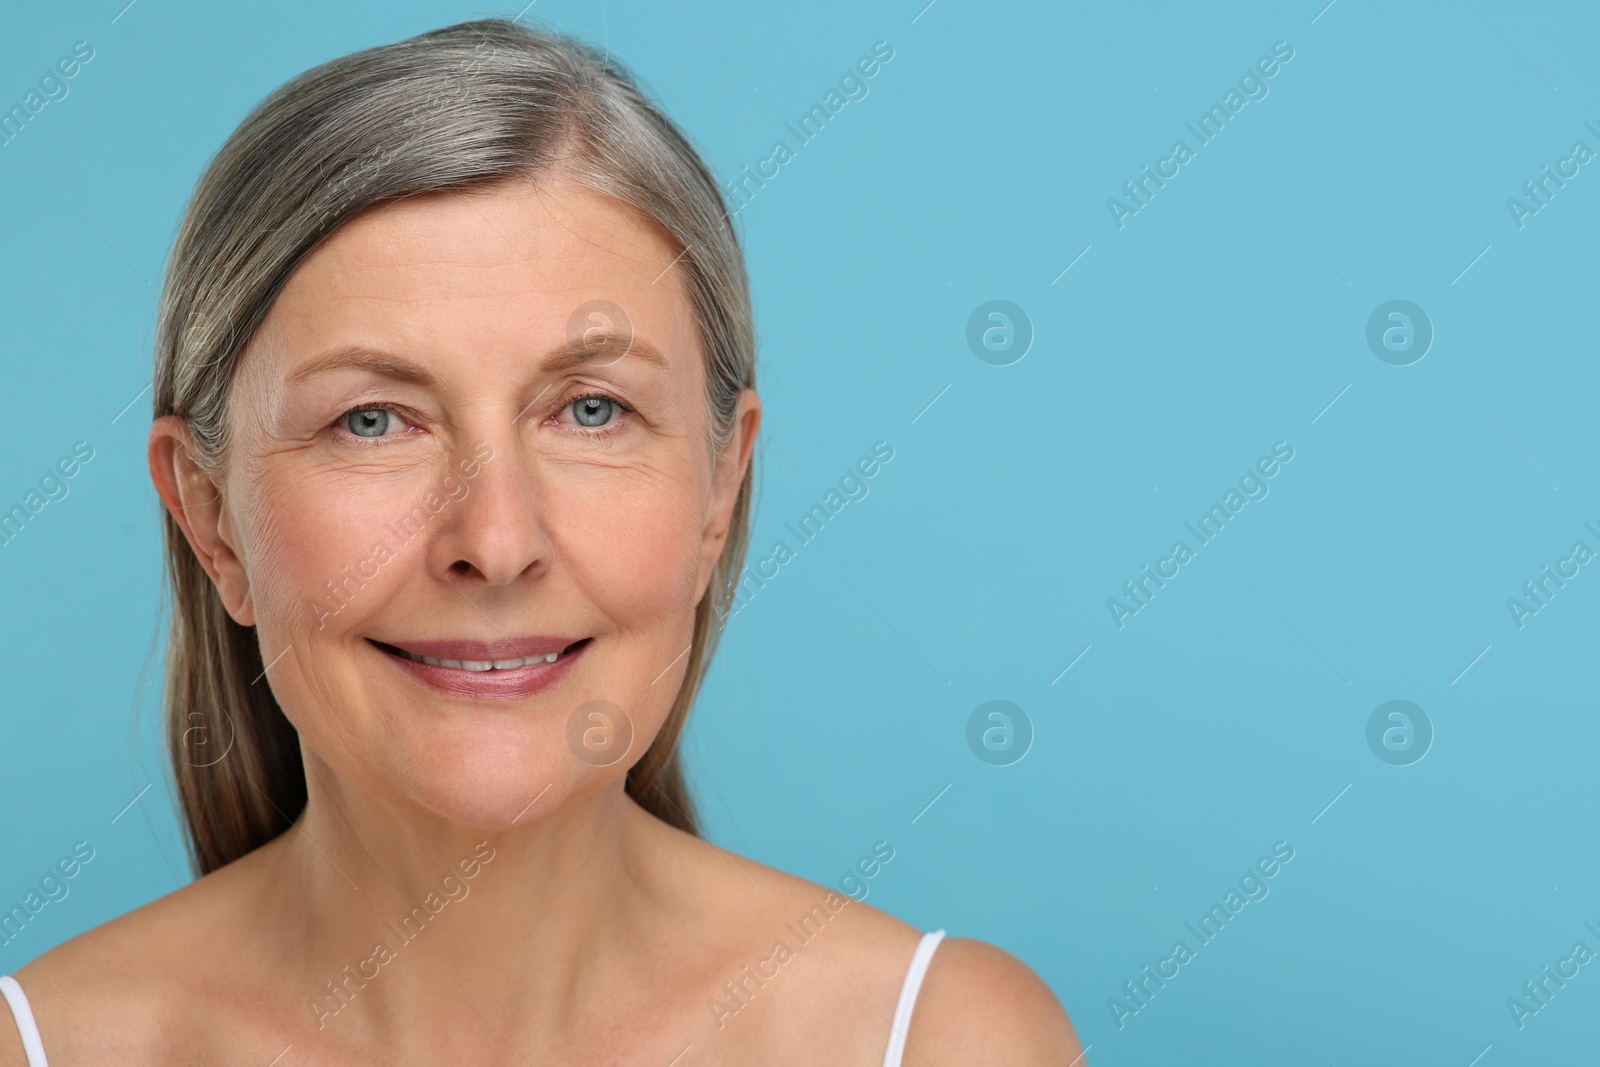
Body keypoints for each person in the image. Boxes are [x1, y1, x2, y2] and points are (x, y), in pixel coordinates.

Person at [0, 19, 1082, 1065]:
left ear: (718, 490)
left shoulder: (944, 1043)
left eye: (592, 410)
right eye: (373, 419)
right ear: (211, 517)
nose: (496, 539)